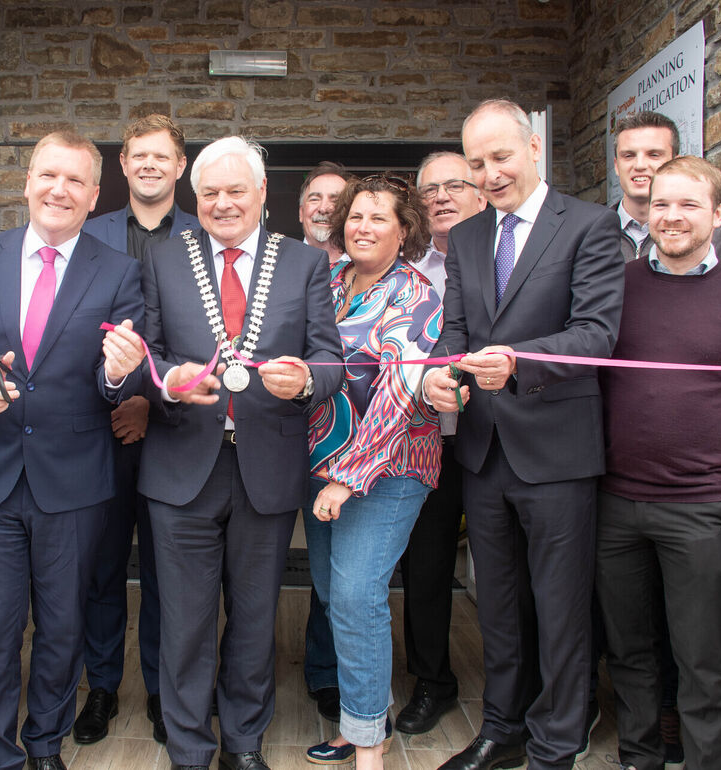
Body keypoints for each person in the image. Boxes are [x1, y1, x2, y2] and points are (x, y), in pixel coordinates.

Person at [105, 135, 343, 770]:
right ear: (195, 196)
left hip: (267, 466)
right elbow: (145, 354)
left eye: (237, 190)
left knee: (255, 618)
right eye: (209, 192)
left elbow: (331, 359)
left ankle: (242, 744)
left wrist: (309, 381)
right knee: (183, 623)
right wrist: (166, 380)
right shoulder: (160, 257)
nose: (222, 203)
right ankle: (187, 749)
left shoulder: (303, 264)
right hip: (181, 465)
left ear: (263, 193)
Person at [0, 130, 144, 770]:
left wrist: (119, 372)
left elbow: (121, 380)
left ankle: (44, 744)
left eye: (76, 181)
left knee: (62, 627)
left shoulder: (120, 271)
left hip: (73, 482)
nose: (59, 190)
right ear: (26, 182)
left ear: (95, 196)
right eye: (49, 175)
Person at [422, 99, 624, 770]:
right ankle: (501, 729)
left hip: (558, 451)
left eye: (500, 158)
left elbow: (597, 334)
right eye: (476, 164)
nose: (489, 175)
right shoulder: (470, 237)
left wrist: (518, 362)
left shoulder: (591, 226)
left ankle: (557, 742)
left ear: (534, 147)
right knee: (498, 603)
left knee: (561, 605)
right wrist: (441, 376)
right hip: (483, 450)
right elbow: (454, 332)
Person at [596, 156, 721, 770]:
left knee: (700, 657)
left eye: (688, 205)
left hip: (700, 509)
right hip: (615, 502)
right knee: (629, 649)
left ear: (718, 214)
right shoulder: (615, 285)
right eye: (660, 203)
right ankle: (638, 757)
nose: (671, 217)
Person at [300, 174, 442, 770]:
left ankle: (368, 747)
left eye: (378, 218)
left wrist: (347, 478)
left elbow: (398, 395)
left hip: (390, 469)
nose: (362, 227)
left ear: (404, 230)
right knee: (337, 597)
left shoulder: (418, 295)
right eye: (355, 216)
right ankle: (367, 717)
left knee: (357, 595)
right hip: (324, 462)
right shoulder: (329, 283)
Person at [77, 114, 198, 746]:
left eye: (162, 156)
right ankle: (100, 686)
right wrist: (115, 399)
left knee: (166, 572)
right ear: (122, 166)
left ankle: (161, 689)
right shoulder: (88, 234)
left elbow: (209, 341)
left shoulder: (207, 237)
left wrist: (151, 403)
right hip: (95, 436)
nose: (149, 165)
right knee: (100, 568)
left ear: (181, 167)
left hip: (176, 435)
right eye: (137, 156)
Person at [394, 152, 486, 737]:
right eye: (429, 190)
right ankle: (433, 682)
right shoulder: (407, 272)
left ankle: (520, 689)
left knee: (505, 574)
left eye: (456, 185)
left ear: (482, 192)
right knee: (425, 570)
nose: (442, 197)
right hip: (427, 442)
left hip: (496, 441)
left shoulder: (503, 263)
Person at [295, 160, 355, 723]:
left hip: (344, 448)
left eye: (336, 199)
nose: (324, 208)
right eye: (314, 197)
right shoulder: (285, 266)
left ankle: (328, 672)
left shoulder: (375, 270)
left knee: (333, 567)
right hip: (279, 437)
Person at [613, 110, 721, 264]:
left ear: (674, 162)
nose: (640, 165)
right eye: (629, 155)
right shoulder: (592, 231)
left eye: (654, 154)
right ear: (617, 165)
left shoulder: (710, 233)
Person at [298, 161, 352, 267]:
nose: (323, 209)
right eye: (314, 199)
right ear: (301, 213)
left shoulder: (363, 269)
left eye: (335, 201)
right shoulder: (280, 264)